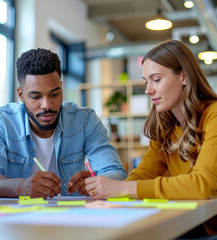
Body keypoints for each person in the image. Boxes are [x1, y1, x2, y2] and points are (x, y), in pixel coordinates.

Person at [85, 40, 217, 236]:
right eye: (147, 82)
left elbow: (202, 184)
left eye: (156, 80)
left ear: (183, 76)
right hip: (191, 224)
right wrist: (110, 189)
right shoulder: (166, 125)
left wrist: (123, 188)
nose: (148, 90)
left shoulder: (213, 115)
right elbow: (144, 173)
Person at [0, 48, 127, 199]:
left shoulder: (84, 120)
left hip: (71, 215)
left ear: (61, 87)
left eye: (54, 94)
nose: (47, 105)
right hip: (16, 215)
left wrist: (98, 182)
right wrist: (21, 187)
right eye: (36, 97)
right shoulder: (2, 122)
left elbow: (116, 172)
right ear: (21, 94)